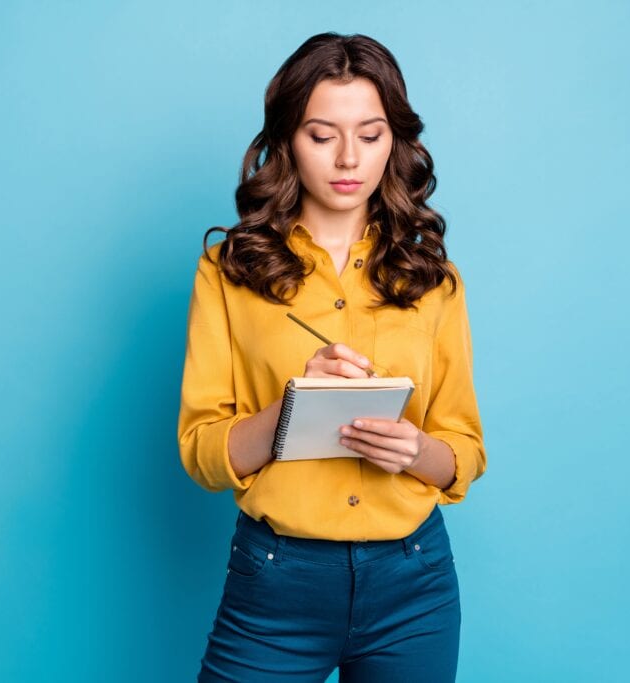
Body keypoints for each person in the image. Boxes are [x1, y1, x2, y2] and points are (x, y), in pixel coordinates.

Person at [177, 32, 487, 682]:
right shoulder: (227, 271)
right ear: (288, 138)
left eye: (370, 134)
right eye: (323, 135)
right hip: (276, 582)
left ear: (394, 141)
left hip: (415, 583)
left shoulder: (435, 278)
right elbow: (202, 451)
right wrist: (294, 408)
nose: (349, 157)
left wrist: (414, 450)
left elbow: (463, 448)